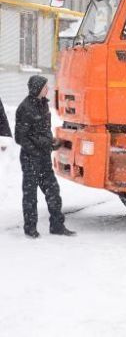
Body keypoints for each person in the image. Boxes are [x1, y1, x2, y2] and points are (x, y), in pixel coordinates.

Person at [14, 75, 75, 238]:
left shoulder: (43, 105)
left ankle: (57, 226)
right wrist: (36, 149)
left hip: (44, 158)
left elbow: (41, 132)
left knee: (53, 191)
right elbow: (20, 137)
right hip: (30, 159)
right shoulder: (25, 108)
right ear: (37, 88)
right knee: (30, 195)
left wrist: (51, 142)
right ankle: (30, 229)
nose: (48, 89)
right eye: (45, 87)